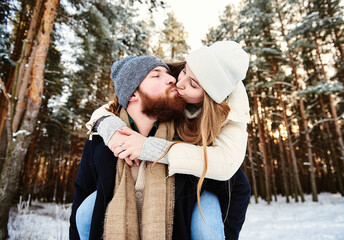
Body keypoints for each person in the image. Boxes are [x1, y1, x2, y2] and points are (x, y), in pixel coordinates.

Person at [87, 41, 251, 240]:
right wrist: (109, 126)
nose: (177, 83)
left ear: (208, 97)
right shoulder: (170, 79)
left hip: (200, 181)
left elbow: (229, 169)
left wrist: (149, 148)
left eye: (193, 84)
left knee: (206, 227)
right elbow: (119, 98)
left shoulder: (232, 116)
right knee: (85, 216)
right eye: (184, 72)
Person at [69, 55, 186, 239]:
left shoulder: (186, 140)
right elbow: (81, 200)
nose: (172, 79)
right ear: (132, 94)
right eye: (156, 75)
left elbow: (235, 190)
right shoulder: (100, 142)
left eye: (168, 74)